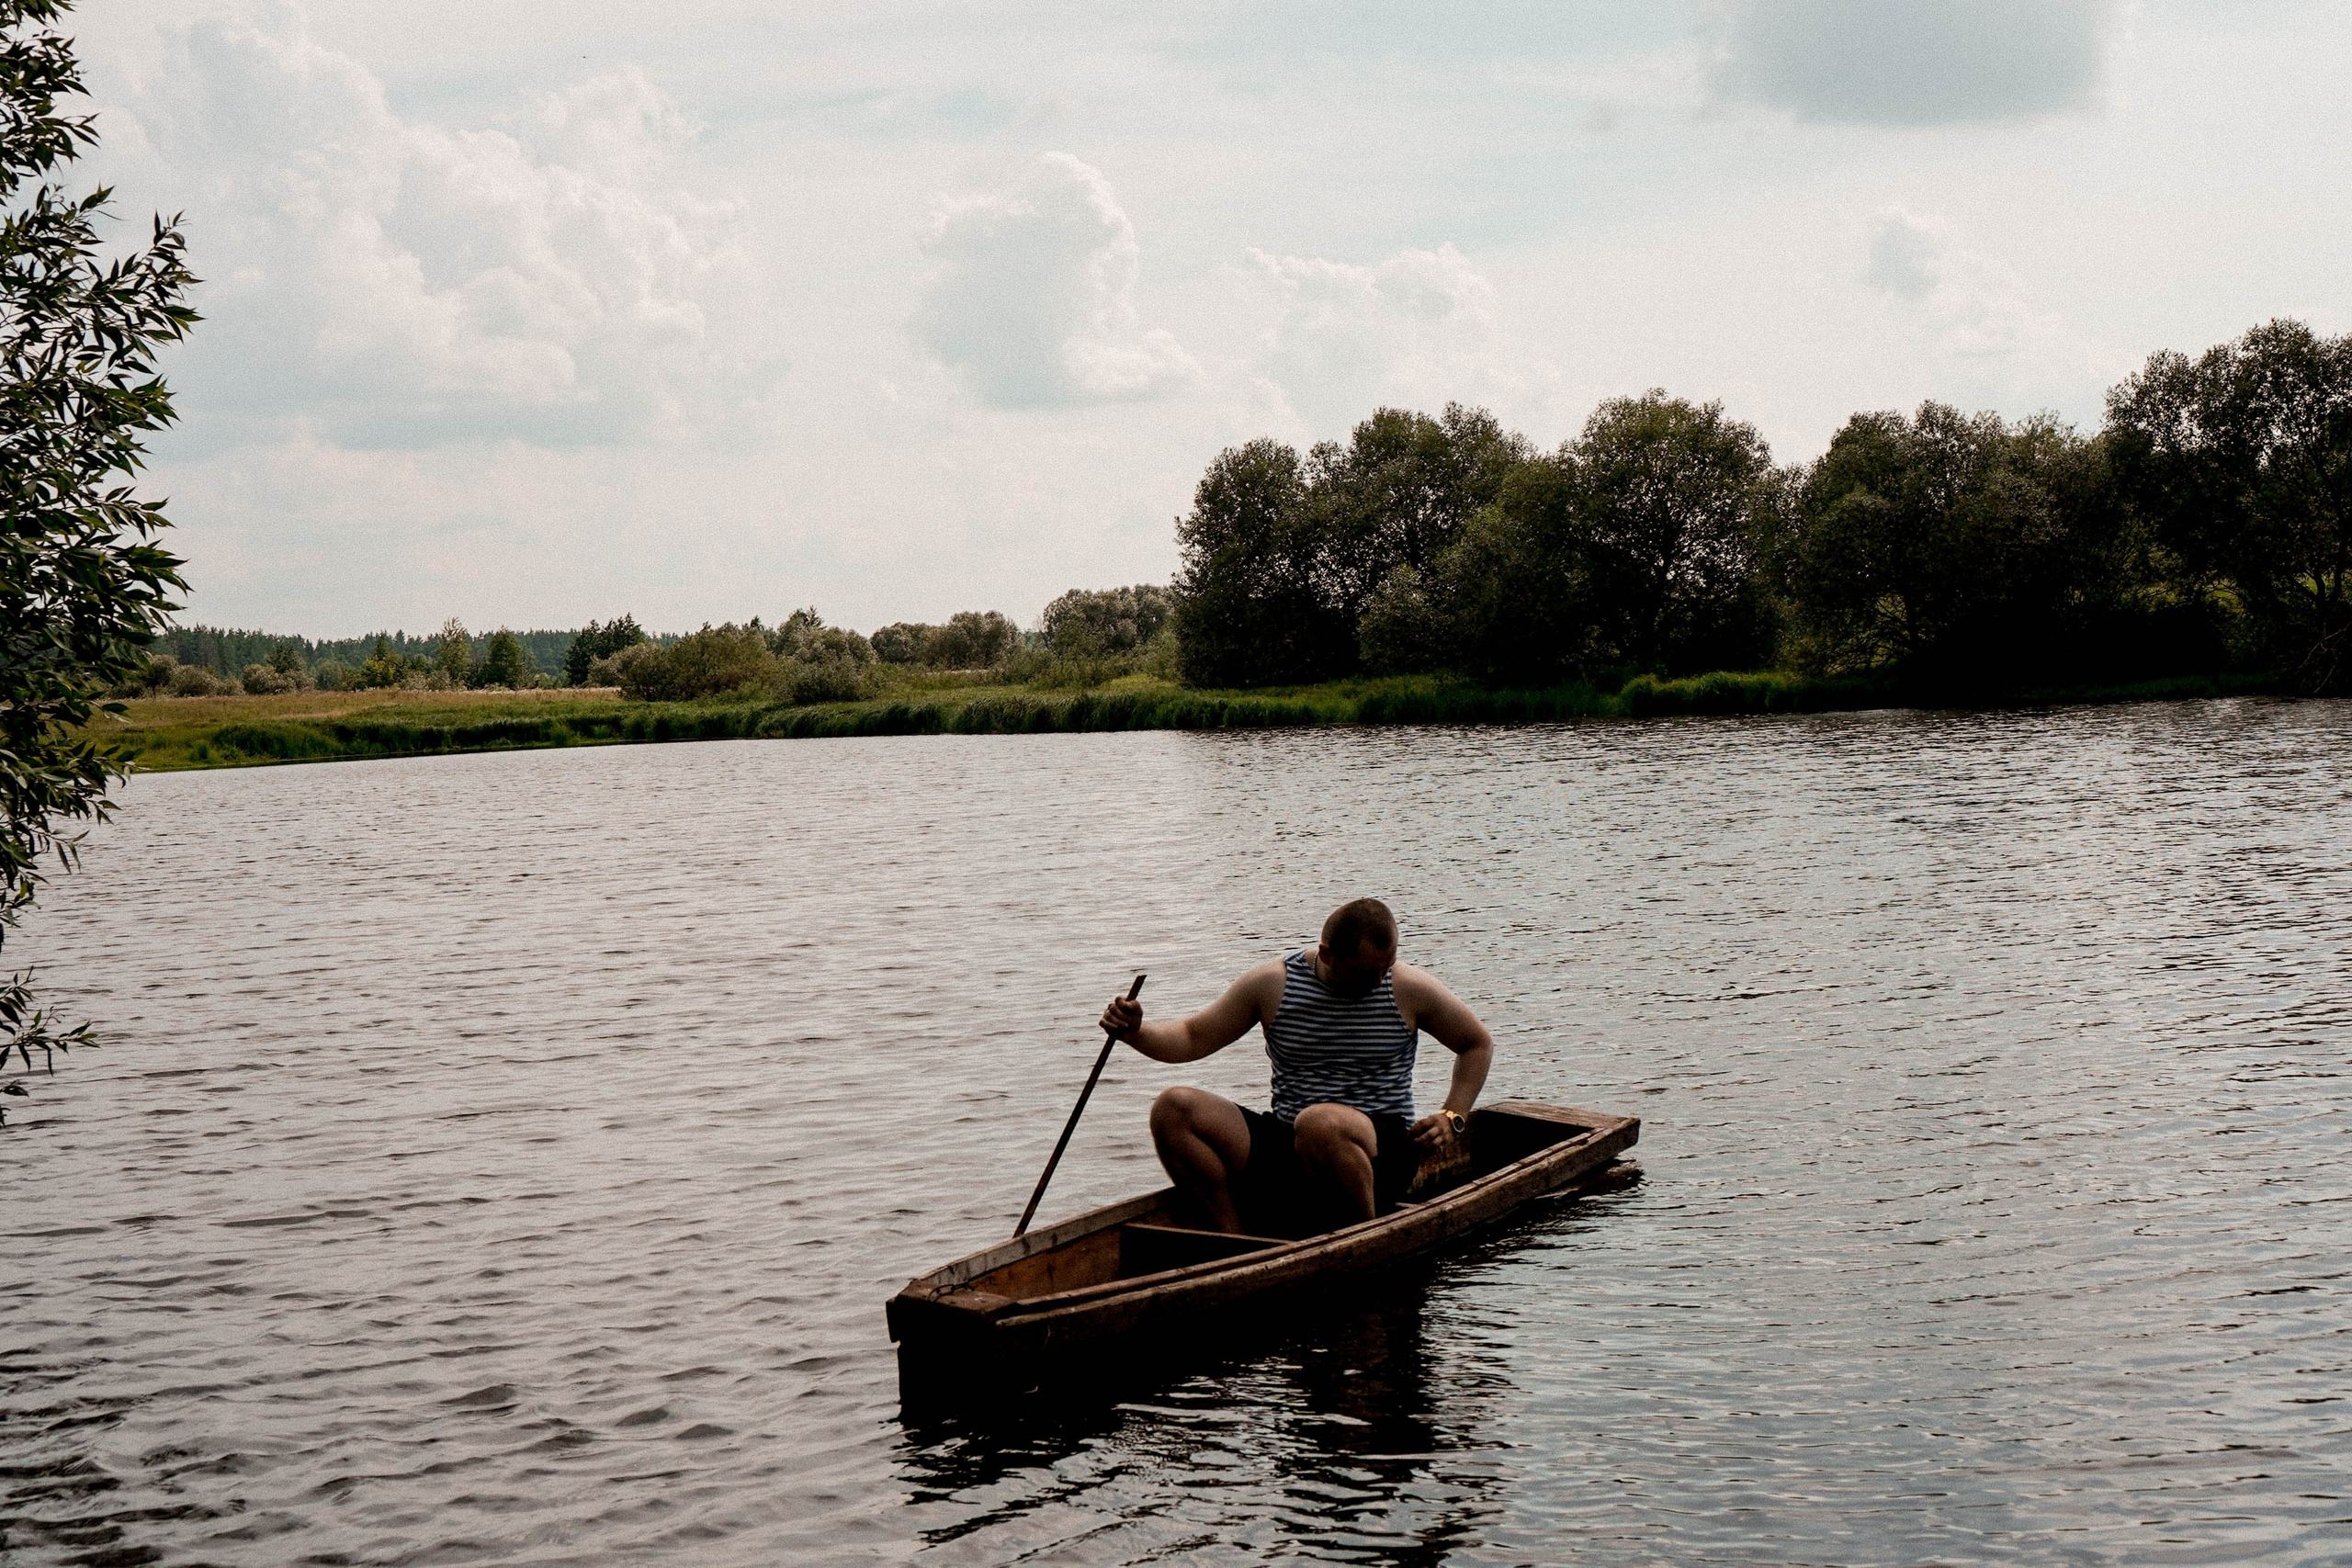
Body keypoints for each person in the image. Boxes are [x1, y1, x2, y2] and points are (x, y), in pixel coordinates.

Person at [1099, 897, 1494, 1235]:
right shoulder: (1274, 984)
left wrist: (1452, 1114)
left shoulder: (1408, 988)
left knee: (1320, 1123)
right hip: (1291, 1141)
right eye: (1366, 973)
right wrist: (1136, 1032)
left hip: (1380, 1149)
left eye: (1386, 968)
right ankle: (1234, 1243)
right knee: (1172, 1109)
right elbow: (1190, 1037)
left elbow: (1476, 1044)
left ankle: (1364, 1238)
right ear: (1326, 955)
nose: (1378, 983)